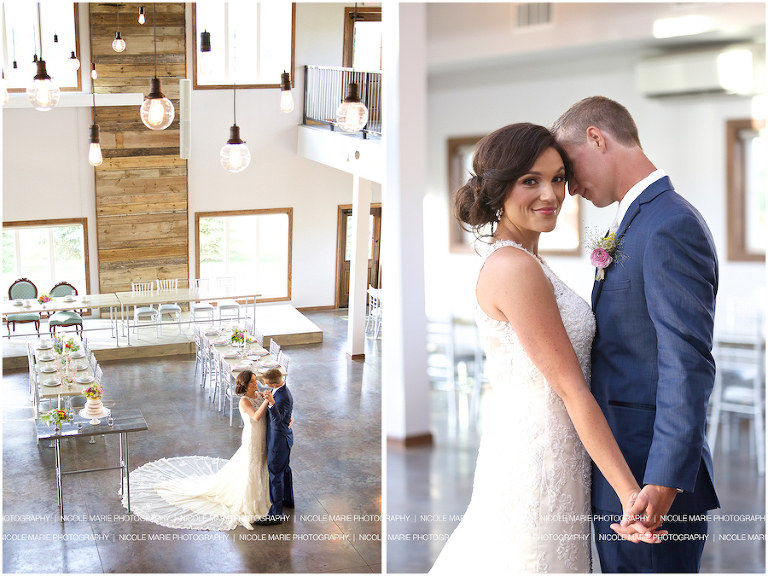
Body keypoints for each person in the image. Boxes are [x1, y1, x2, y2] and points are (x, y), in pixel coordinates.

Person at [430, 123, 662, 574]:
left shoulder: (527, 259)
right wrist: (629, 495)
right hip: (536, 464)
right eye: (530, 180)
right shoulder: (514, 268)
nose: (551, 194)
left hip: (559, 455)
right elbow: (572, 391)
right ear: (498, 189)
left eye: (558, 178)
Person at [552, 96, 720, 573]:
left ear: (597, 139)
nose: (569, 187)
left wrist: (664, 479)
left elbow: (685, 361)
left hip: (651, 480)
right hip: (623, 468)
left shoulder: (669, 225)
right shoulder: (638, 220)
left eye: (568, 167)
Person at [123, 369, 271, 530]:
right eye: (252, 381)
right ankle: (250, 503)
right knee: (252, 465)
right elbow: (255, 417)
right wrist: (267, 401)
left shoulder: (258, 394)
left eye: (255, 380)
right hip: (252, 437)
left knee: (260, 463)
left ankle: (262, 497)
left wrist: (266, 398)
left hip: (262, 435)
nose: (256, 383)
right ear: (245, 385)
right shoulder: (244, 401)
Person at [254, 367, 294, 526]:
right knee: (284, 470)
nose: (264, 384)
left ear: (271, 383)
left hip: (278, 442)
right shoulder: (281, 389)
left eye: (265, 382)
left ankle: (276, 515)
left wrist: (271, 403)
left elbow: (277, 420)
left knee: (275, 476)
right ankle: (288, 500)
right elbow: (285, 416)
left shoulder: (282, 396)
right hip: (284, 438)